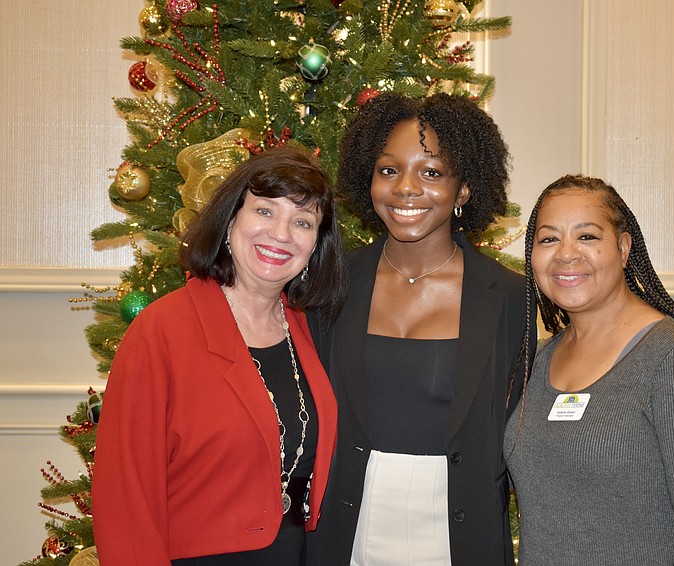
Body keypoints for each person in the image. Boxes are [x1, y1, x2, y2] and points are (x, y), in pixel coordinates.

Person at [306, 92, 534, 565]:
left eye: (431, 173)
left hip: (460, 530)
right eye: (388, 170)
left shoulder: (510, 297)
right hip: (347, 525)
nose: (405, 188)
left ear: (463, 190)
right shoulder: (332, 285)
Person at [91, 147, 348, 565]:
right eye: (265, 212)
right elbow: (125, 496)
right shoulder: (162, 331)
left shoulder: (311, 329)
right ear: (231, 221)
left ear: (315, 245)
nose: (281, 234)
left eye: (302, 222)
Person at [505, 174, 674, 565]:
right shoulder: (540, 358)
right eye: (548, 239)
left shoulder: (673, 358)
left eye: (587, 237)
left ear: (624, 246)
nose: (566, 253)